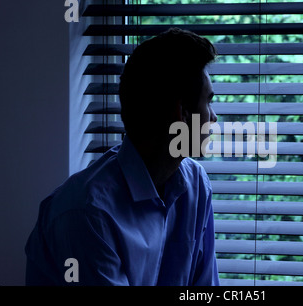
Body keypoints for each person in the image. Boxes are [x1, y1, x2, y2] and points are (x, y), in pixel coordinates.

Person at [25, 28, 220, 286]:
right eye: (208, 101)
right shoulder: (87, 214)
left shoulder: (196, 185)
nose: (214, 117)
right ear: (181, 113)